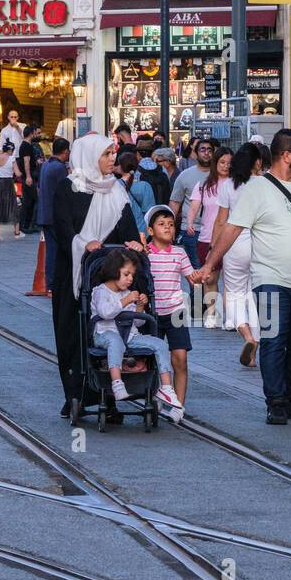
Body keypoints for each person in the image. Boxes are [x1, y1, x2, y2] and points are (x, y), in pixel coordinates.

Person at [202, 129, 291, 425]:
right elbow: (231, 228)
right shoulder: (257, 189)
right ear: (286, 155)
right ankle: (275, 400)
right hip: (271, 279)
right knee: (275, 340)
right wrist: (210, 264)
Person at [51, 133, 141, 419]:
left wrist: (133, 243)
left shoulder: (116, 189)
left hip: (109, 280)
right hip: (74, 276)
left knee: (108, 332)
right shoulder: (69, 187)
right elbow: (61, 229)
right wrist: (82, 243)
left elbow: (126, 228)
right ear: (90, 157)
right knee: (72, 335)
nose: (112, 158)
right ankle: (74, 394)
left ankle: (108, 396)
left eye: (113, 153)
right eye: (106, 154)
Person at [91, 248, 184, 418]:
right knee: (115, 342)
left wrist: (140, 307)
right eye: (126, 274)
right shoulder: (100, 291)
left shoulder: (127, 293)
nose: (130, 279)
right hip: (106, 334)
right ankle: (117, 383)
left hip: (130, 336)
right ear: (113, 271)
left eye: (132, 275)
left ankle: (165, 387)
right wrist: (126, 300)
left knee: (160, 344)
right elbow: (105, 313)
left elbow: (138, 323)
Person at [212, 142, 264, 367]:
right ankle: (255, 346)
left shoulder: (227, 186)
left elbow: (221, 221)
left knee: (233, 294)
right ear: (257, 162)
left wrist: (214, 252)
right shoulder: (264, 183)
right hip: (260, 245)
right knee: (256, 296)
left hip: (234, 245)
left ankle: (247, 337)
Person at [145, 205, 201, 407]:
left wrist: (198, 278)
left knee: (180, 359)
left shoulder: (179, 253)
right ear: (150, 231)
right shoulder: (145, 254)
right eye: (161, 224)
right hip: (151, 314)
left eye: (171, 224)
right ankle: (154, 398)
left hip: (175, 312)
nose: (168, 228)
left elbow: (192, 279)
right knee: (151, 360)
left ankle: (178, 404)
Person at [186, 145, 232, 328]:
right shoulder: (204, 185)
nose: (226, 166)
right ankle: (212, 314)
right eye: (222, 162)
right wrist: (189, 222)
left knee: (230, 279)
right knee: (210, 278)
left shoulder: (237, 184)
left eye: (229, 163)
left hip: (232, 238)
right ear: (215, 163)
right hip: (206, 237)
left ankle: (230, 316)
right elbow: (194, 206)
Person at [169, 137, 214, 274]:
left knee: (211, 273)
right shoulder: (185, 175)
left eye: (209, 150)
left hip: (216, 229)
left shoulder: (221, 175)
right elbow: (175, 203)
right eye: (202, 149)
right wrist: (170, 229)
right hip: (192, 230)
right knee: (197, 270)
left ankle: (206, 295)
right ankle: (198, 296)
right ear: (196, 152)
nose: (206, 153)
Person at [38, 136, 70, 292]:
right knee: (56, 250)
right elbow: (65, 191)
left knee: (51, 249)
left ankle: (50, 283)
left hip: (44, 213)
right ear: (65, 151)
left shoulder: (46, 165)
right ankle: (54, 284)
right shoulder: (59, 168)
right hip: (54, 215)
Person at [0, 140, 21, 240]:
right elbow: (17, 173)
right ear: (10, 150)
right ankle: (17, 233)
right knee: (13, 206)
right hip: (7, 183)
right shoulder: (11, 159)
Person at [17, 124, 40, 233]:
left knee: (28, 201)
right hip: (28, 177)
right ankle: (29, 224)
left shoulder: (26, 145)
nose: (36, 134)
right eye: (35, 132)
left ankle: (24, 225)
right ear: (31, 133)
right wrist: (29, 177)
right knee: (35, 200)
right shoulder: (26, 146)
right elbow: (26, 162)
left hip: (27, 176)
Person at [135, 138, 171, 206]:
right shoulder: (162, 169)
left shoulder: (137, 172)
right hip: (161, 208)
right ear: (152, 153)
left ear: (138, 154)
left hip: (145, 210)